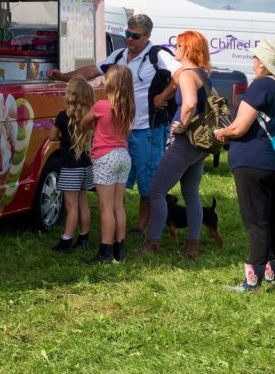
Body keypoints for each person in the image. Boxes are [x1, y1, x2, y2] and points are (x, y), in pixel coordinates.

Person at [49, 14, 178, 236]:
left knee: (147, 181)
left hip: (148, 129)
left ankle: (141, 226)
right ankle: (119, 220)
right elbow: (91, 70)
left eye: (135, 36)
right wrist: (64, 77)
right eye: (127, 34)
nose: (129, 39)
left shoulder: (159, 56)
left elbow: (181, 74)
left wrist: (162, 98)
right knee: (120, 180)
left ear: (147, 36)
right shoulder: (118, 55)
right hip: (121, 132)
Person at [213, 39, 275, 292]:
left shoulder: (260, 87)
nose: (253, 62)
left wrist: (222, 132)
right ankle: (271, 275)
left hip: (253, 163)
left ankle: (252, 281)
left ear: (262, 64)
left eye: (255, 58)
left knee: (256, 222)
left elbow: (239, 127)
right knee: (273, 218)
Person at [138, 31, 213, 258]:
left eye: (178, 45)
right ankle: (192, 246)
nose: (176, 49)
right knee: (191, 193)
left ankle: (152, 244)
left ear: (188, 49)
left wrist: (181, 124)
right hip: (201, 144)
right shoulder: (204, 75)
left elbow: (189, 103)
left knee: (157, 190)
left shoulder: (188, 74)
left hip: (185, 141)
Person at [80, 65, 136, 264]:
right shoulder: (129, 107)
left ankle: (105, 251)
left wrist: (95, 125)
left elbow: (83, 122)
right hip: (123, 155)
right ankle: (120, 250)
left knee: (105, 207)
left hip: (105, 157)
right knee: (118, 206)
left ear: (110, 83)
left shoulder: (102, 106)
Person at [48, 76, 95, 253]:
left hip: (70, 167)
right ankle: (84, 237)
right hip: (86, 166)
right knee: (83, 202)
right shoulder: (91, 116)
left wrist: (62, 136)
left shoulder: (63, 116)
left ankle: (66, 239)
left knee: (71, 206)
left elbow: (52, 136)